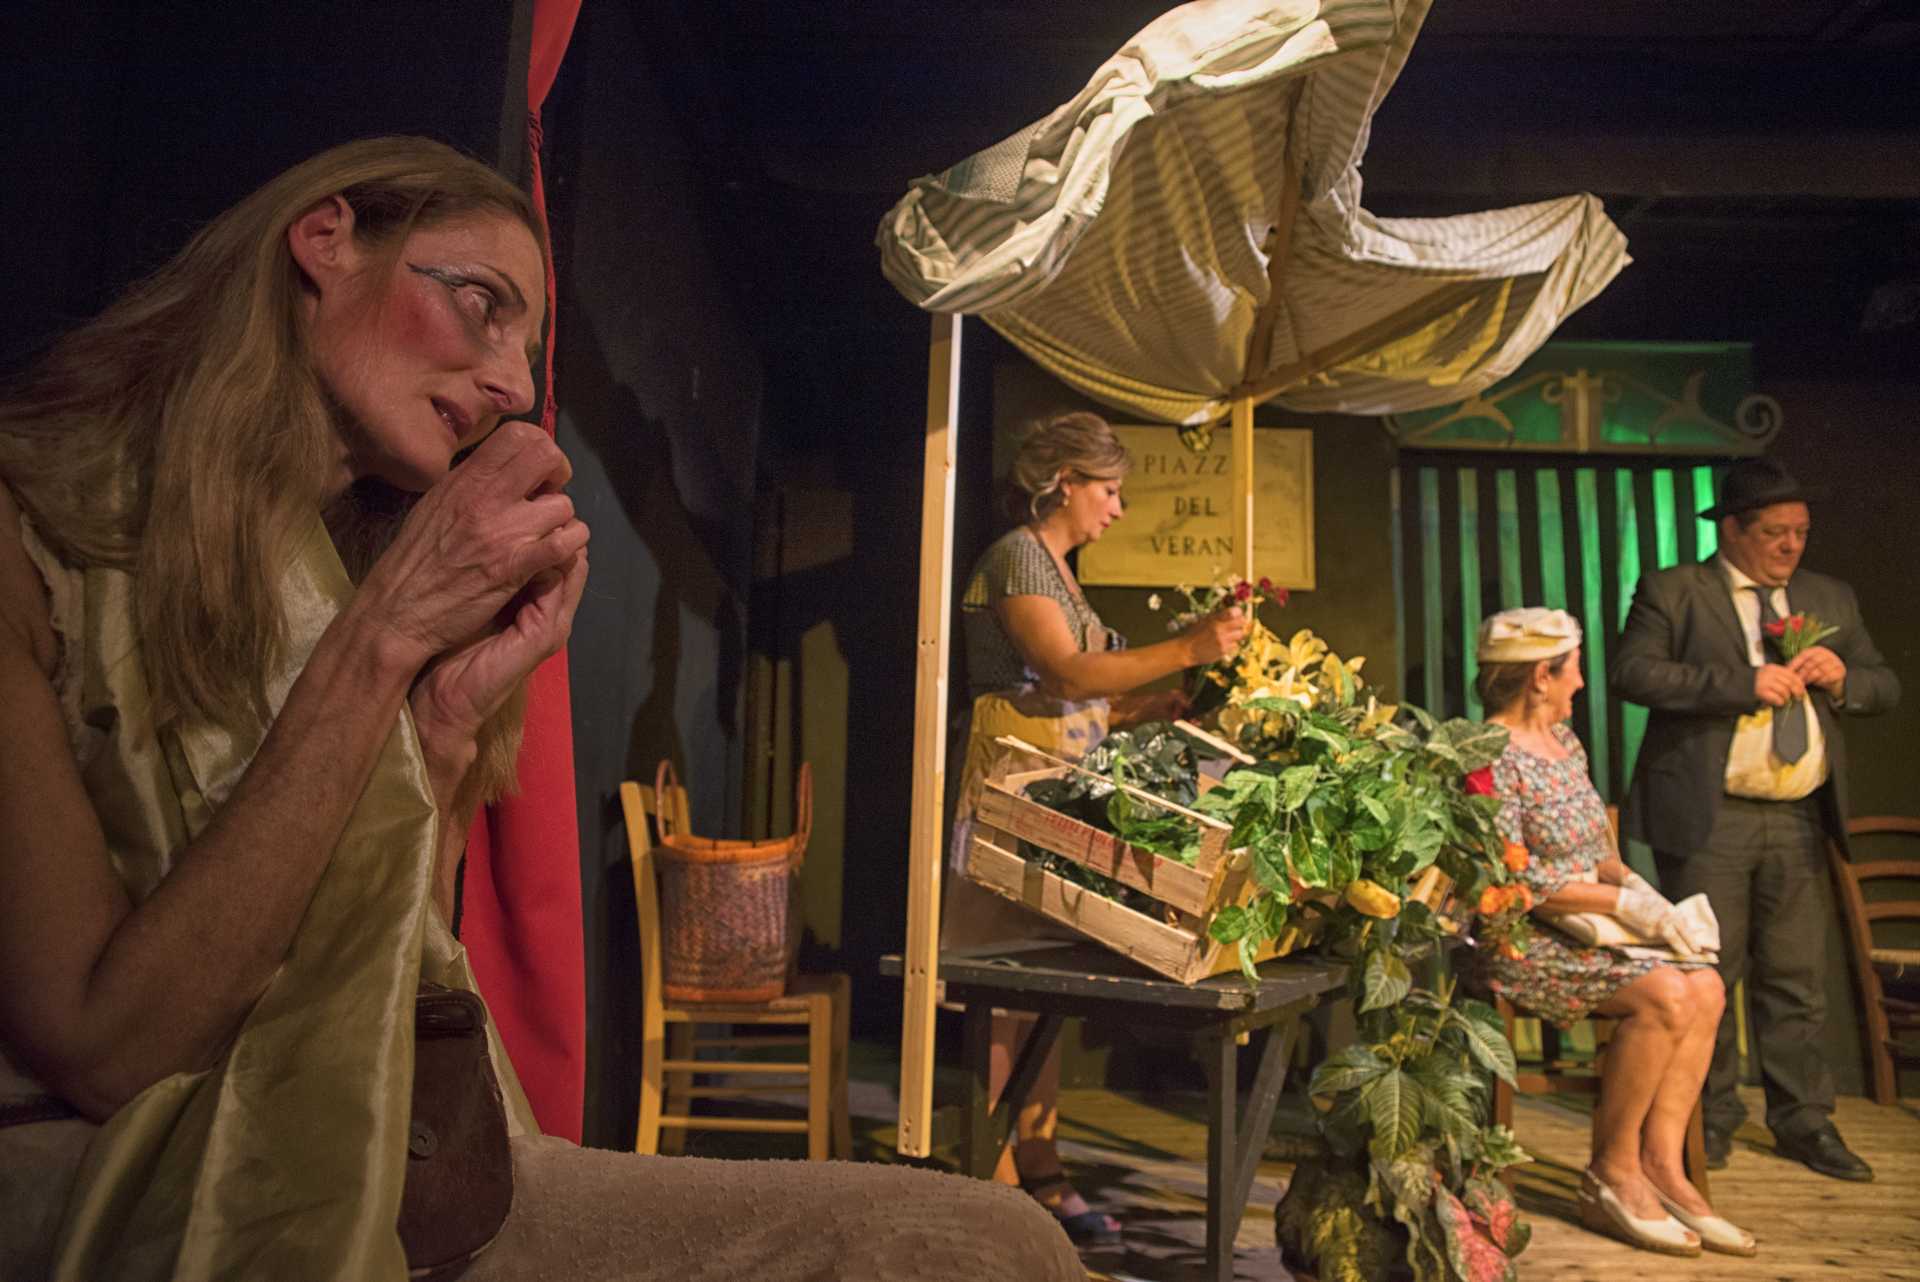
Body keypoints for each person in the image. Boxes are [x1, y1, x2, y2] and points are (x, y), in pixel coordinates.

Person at [0, 136, 1080, 1282]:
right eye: (482, 306)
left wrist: (446, 735)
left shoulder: (332, 569)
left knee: (992, 1240)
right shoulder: (34, 533)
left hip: (386, 1160)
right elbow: (106, 1052)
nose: (513, 385)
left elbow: (383, 984)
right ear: (325, 242)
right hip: (132, 1175)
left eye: (525, 341)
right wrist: (386, 643)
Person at [941, 410, 1247, 1245]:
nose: (1116, 508)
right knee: (1005, 993)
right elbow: (1066, 670)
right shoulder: (1015, 557)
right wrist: (1183, 648)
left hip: (1057, 781)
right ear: (1064, 483)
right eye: (1107, 489)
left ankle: (1037, 1166)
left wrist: (1149, 703)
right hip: (1012, 781)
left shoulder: (1061, 572)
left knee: (1046, 990)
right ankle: (994, 1181)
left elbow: (1084, 695)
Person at [1613, 456, 1899, 1183]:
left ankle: (1804, 1121)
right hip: (1711, 816)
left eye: (1801, 532)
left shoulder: (1828, 595)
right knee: (1710, 974)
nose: (1791, 547)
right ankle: (1703, 1123)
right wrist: (1738, 683)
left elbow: (1884, 683)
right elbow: (1634, 674)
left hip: (1799, 817)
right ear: (1733, 529)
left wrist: (1846, 679)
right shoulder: (1675, 591)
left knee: (1798, 980)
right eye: (1775, 532)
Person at [1472, 608, 1752, 1258]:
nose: (1579, 683)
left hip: (1592, 927)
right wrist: (1625, 908)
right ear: (1541, 674)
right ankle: (1612, 1172)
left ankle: (1663, 1166)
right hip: (1522, 937)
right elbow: (1513, 876)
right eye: (1571, 670)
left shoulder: (1566, 744)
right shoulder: (1487, 756)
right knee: (1664, 995)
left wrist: (1648, 900)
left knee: (1705, 985)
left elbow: (1600, 850)